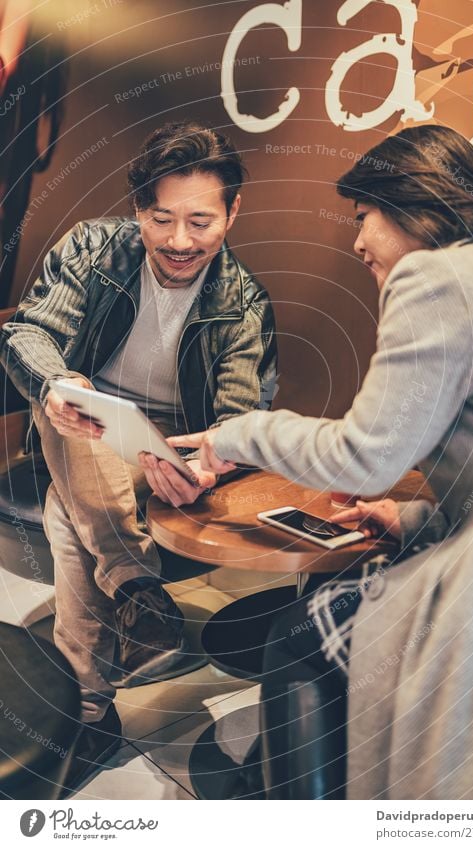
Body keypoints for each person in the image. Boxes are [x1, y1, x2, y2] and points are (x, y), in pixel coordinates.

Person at [165, 125, 473, 799]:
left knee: (302, 634)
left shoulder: (436, 275)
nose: (358, 241)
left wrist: (236, 435)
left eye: (364, 217)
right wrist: (416, 516)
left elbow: (364, 454)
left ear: (413, 199)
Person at [0, 121, 277, 793]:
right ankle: (136, 586)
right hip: (79, 430)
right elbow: (28, 332)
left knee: (72, 520)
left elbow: (241, 417)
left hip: (164, 458)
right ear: (137, 212)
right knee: (71, 394)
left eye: (200, 221)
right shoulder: (93, 249)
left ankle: (89, 711)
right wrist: (56, 384)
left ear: (232, 212)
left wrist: (211, 459)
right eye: (162, 219)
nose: (180, 241)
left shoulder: (243, 304)